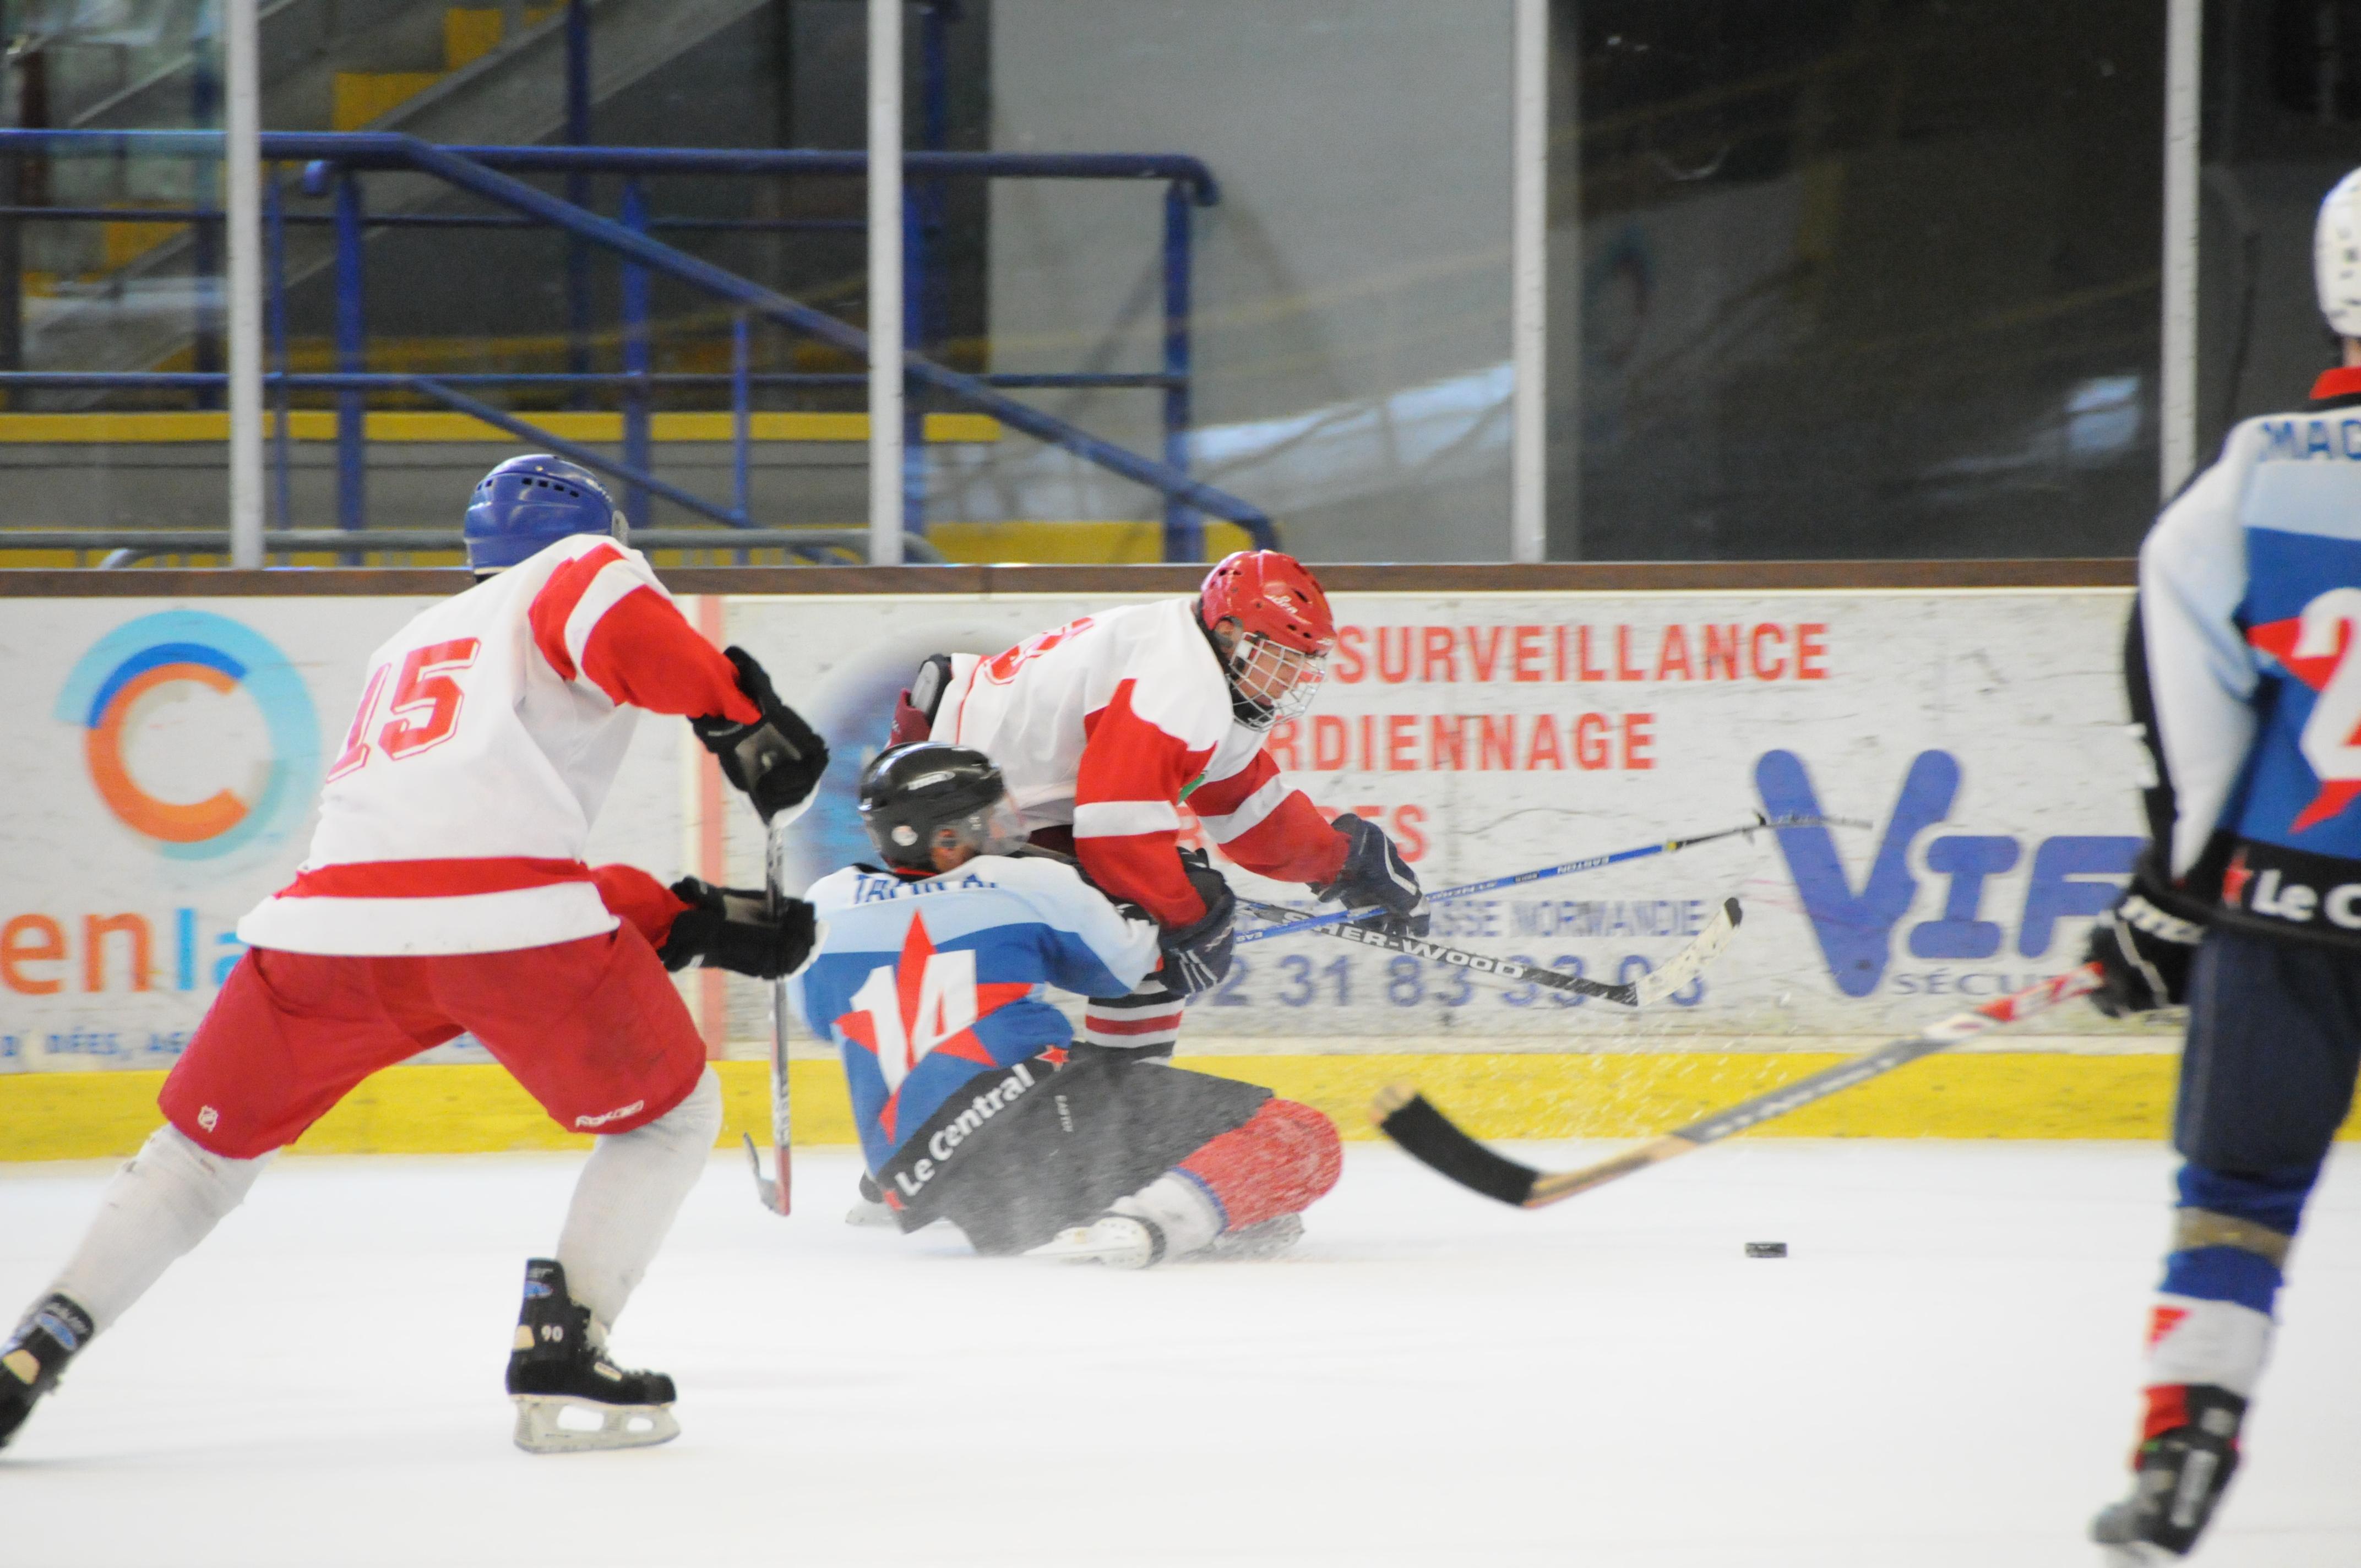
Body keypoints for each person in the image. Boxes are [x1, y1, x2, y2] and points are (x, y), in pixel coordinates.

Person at [0, 455, 828, 1457]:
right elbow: (608, 622)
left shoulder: (416, 639)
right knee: (673, 1117)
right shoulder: (575, 567)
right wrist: (734, 710)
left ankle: (44, 1331)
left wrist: (687, 918)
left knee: (199, 1158)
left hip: (328, 932)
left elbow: (445, 860)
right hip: (506, 932)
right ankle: (565, 1338)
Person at [2081, 170, 2361, 1561]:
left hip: (2284, 915)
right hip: (2277, 915)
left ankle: (2181, 1449)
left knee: (2235, 1202)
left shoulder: (2254, 469)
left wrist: (2167, 894)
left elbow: (2193, 720)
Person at [790, 742, 1342, 1265]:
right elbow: (1126, 968)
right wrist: (1182, 894)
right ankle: (1153, 1222)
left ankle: (1145, 1207)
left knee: (1250, 1204)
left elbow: (821, 1020)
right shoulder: (1027, 883)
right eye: (991, 819)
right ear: (947, 838)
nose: (1008, 831)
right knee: (1300, 1138)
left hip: (923, 1181)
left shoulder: (825, 904)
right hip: (1037, 1129)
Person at [890, 549, 1426, 1063]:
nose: (1290, 678)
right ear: (1229, 633)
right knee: (1163, 922)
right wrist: (1188, 924)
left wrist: (1347, 862)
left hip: (984, 797)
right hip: (944, 808)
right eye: (1279, 658)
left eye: (1301, 662)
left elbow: (1245, 808)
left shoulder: (1207, 671)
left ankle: (1116, 1105)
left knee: (1165, 920)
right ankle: (1112, 1107)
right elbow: (1116, 834)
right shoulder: (1176, 682)